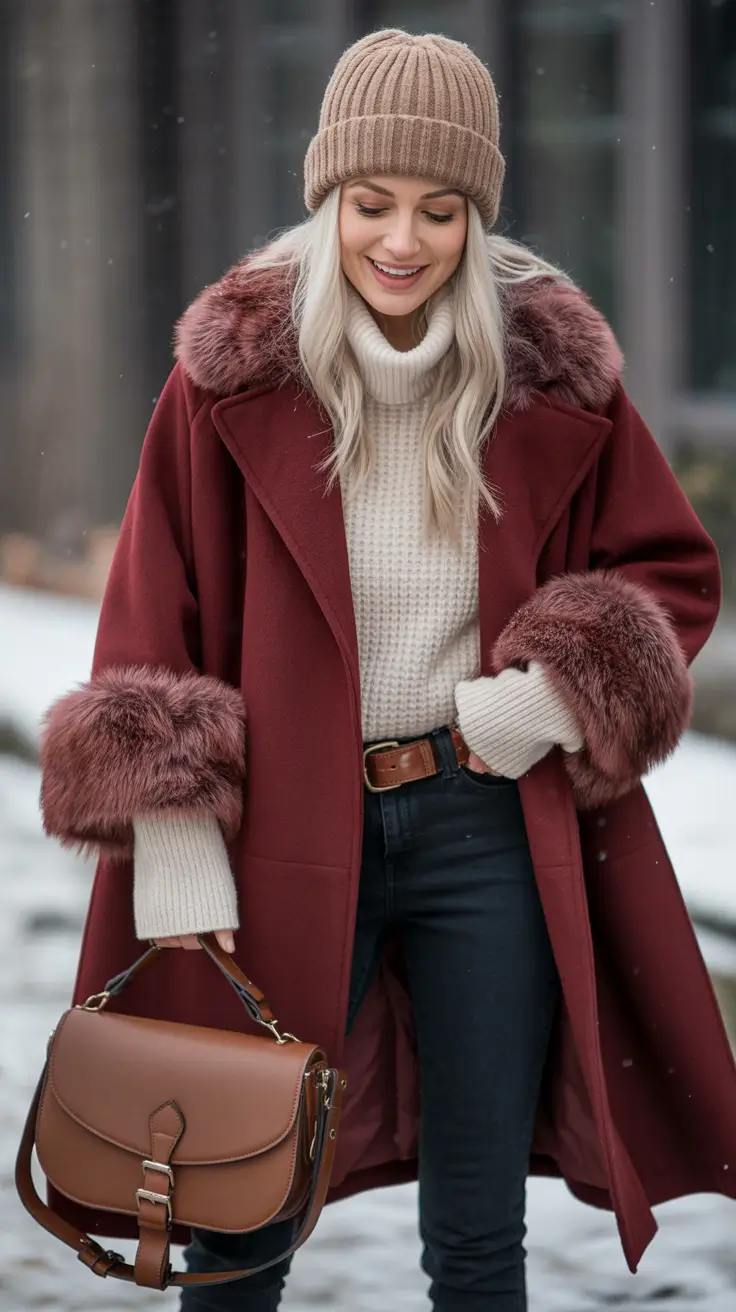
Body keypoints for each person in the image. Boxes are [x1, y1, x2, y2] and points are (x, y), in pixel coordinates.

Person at [40, 27, 736, 1312]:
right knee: (237, 1209)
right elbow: (152, 620)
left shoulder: (548, 376)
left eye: (439, 208)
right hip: (283, 834)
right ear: (326, 199)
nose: (401, 241)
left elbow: (668, 576)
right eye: (371, 205)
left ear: (478, 212)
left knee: (478, 1228)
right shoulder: (227, 379)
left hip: (489, 825)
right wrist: (178, 844)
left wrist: (548, 698)